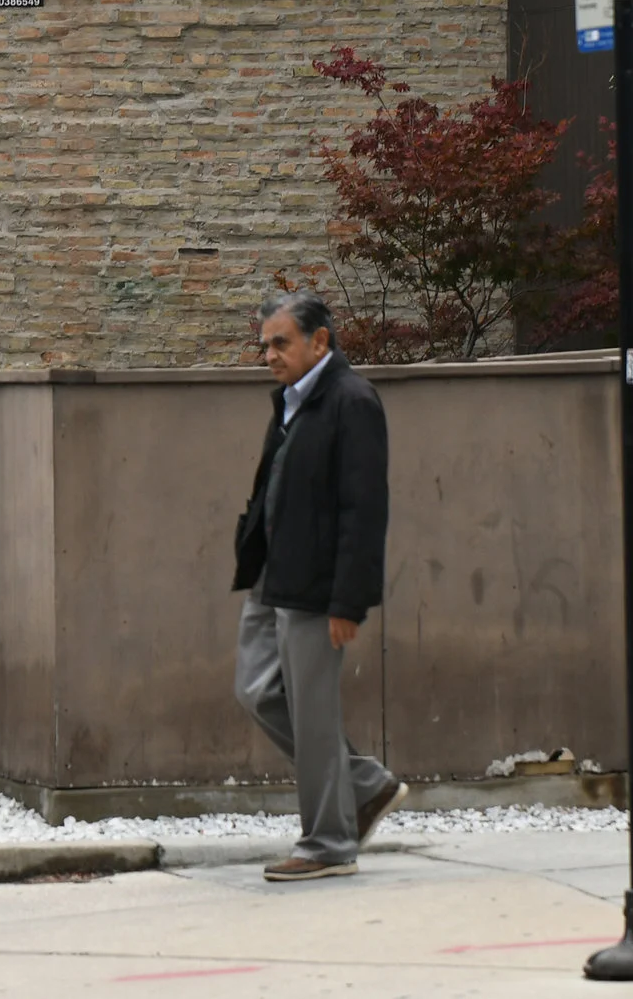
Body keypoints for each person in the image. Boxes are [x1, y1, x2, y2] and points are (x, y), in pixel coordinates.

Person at [232, 290, 402, 882]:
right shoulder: (289, 400)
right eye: (265, 346)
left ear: (319, 341)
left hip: (315, 585)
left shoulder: (352, 402)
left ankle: (327, 844)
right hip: (272, 573)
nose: (270, 356)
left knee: (313, 712)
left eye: (280, 343)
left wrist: (348, 600)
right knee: (256, 689)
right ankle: (363, 784)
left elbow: (363, 508)